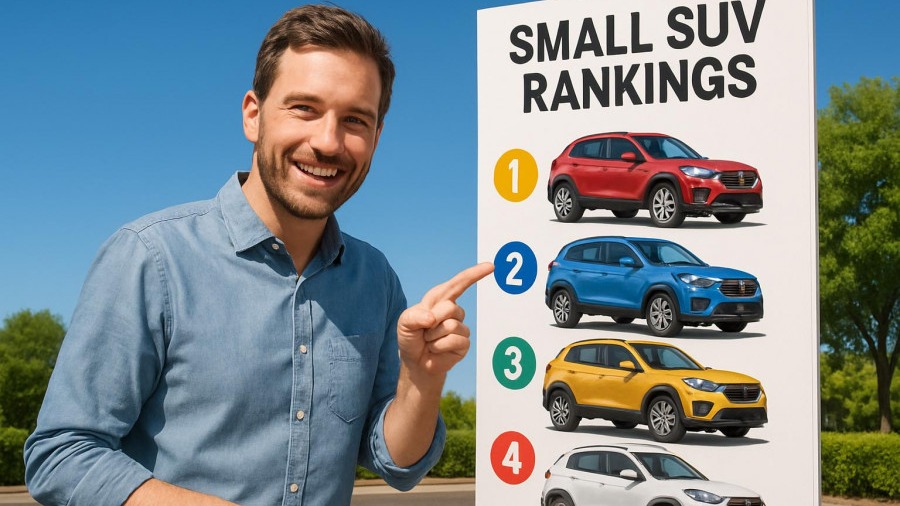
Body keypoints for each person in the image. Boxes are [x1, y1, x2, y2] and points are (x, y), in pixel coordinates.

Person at [24, 5, 493, 505]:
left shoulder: (375, 279)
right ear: (253, 114)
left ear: (376, 136)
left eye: (355, 119)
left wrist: (422, 381)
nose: (328, 141)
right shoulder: (150, 257)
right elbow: (62, 454)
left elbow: (395, 465)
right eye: (304, 109)